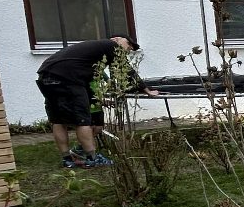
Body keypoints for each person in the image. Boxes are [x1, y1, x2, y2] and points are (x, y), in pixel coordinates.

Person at [35, 35, 159, 168]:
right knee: (82, 120)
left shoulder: (90, 55)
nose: (128, 50)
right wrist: (146, 90)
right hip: (67, 79)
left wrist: (99, 100)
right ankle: (92, 158)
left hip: (46, 77)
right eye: (128, 45)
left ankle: (67, 159)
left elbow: (86, 84)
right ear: (116, 39)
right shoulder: (111, 45)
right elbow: (126, 69)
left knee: (58, 120)